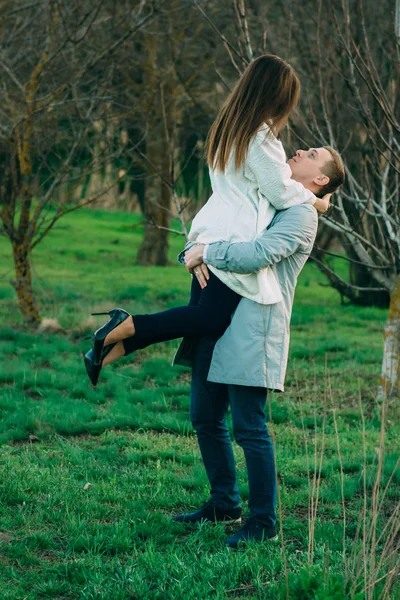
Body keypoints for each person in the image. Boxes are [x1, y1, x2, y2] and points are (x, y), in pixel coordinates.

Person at [84, 55, 331, 385]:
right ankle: (126, 325)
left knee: (199, 319)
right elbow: (280, 192)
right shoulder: (260, 138)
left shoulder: (230, 130)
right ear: (279, 97)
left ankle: (115, 346)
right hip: (229, 239)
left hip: (211, 231)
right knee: (211, 319)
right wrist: (317, 201)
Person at [169, 145, 345, 549]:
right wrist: (193, 252)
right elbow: (217, 225)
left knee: (250, 427)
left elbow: (259, 254)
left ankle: (264, 521)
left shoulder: (300, 215)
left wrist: (207, 252)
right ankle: (224, 503)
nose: (300, 149)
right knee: (205, 416)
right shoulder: (273, 196)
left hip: (253, 328)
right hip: (214, 316)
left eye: (312, 153)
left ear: (320, 179)